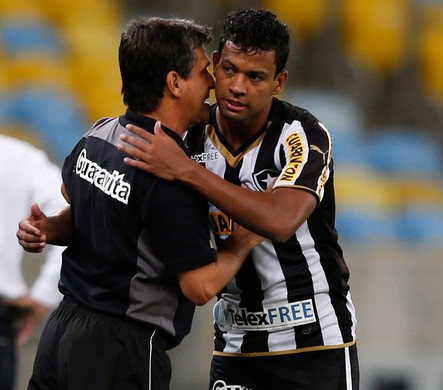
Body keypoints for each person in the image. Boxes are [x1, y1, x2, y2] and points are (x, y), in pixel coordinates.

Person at [117, 8, 359, 390]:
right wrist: (56, 224)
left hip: (314, 344)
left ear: (279, 82)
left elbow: (281, 221)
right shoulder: (189, 135)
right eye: (229, 70)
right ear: (214, 64)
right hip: (236, 345)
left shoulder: (303, 134)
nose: (237, 86)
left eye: (255, 77)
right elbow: (124, 198)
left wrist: (187, 171)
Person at [15, 16, 262, 390]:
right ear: (174, 83)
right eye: (201, 71)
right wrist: (240, 243)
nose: (212, 82)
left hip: (62, 333)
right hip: (122, 347)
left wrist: (50, 228)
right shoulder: (169, 177)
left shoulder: (97, 135)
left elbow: (80, 207)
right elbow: (198, 286)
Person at [0, 134, 67, 390]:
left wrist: (45, 294)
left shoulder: (20, 158)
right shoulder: (18, 157)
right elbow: (77, 217)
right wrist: (45, 295)